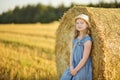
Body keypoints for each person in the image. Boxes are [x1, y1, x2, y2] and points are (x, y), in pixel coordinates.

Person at [60, 14, 93, 80]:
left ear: (87, 25)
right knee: (65, 77)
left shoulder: (87, 40)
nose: (79, 25)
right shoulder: (75, 39)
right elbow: (72, 53)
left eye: (81, 23)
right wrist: (71, 66)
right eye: (77, 23)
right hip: (74, 65)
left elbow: (84, 58)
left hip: (82, 67)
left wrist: (75, 70)